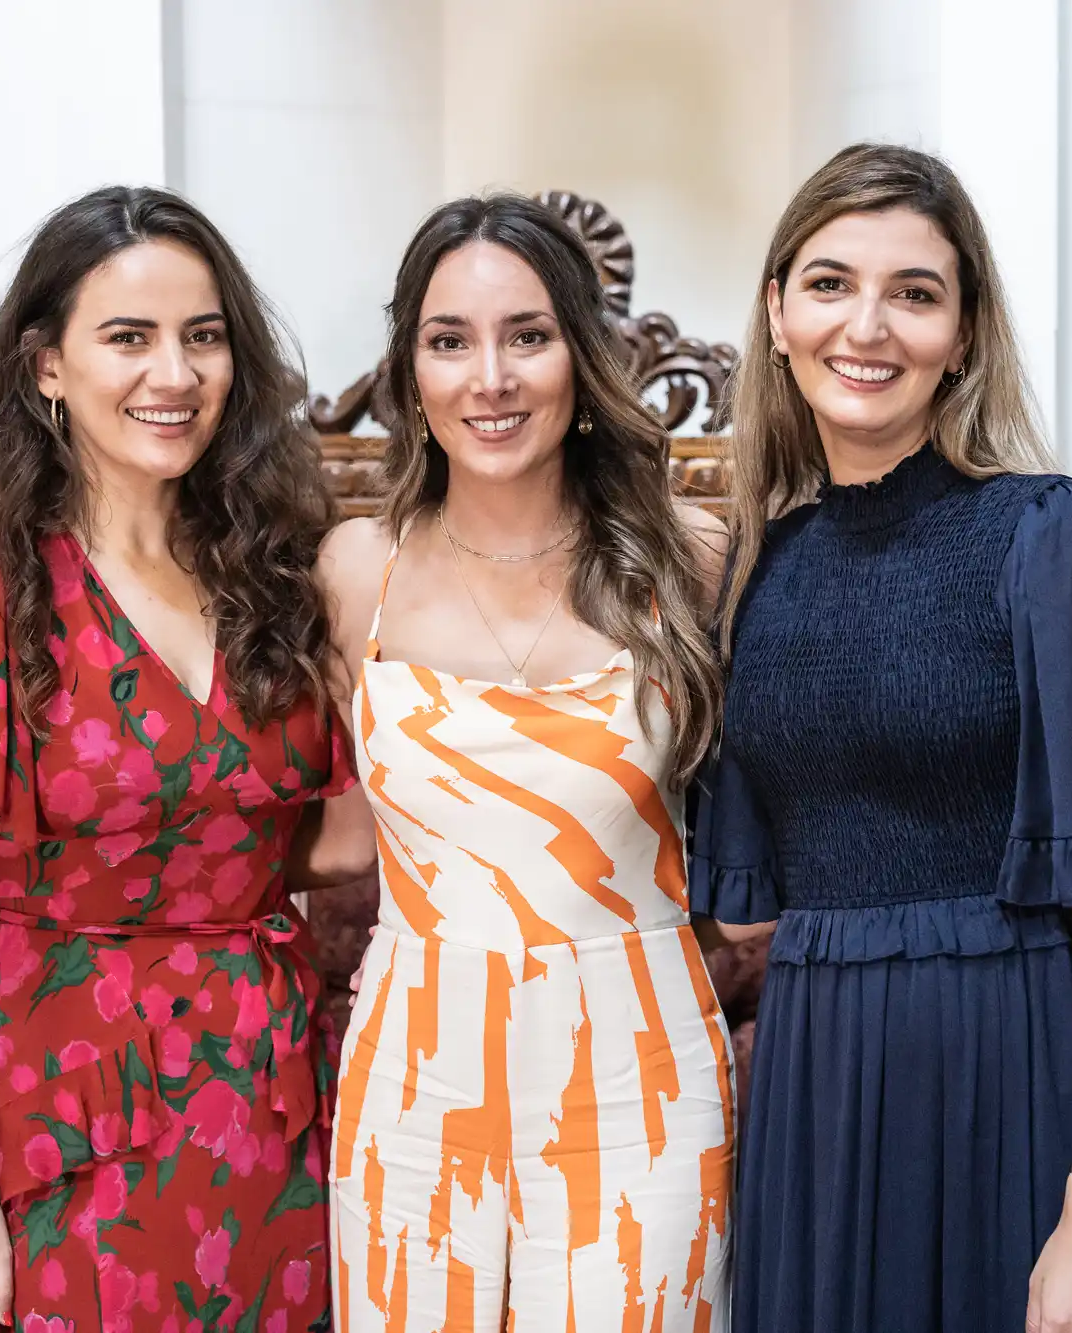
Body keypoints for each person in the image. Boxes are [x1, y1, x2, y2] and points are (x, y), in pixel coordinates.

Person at [693, 144, 1072, 1332]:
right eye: (827, 284)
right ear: (775, 314)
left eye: (913, 293)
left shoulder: (1055, 537)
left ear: (965, 333)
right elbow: (742, 917)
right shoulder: (754, 573)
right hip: (818, 1109)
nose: (865, 326)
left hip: (1019, 1084)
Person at [0, 186, 368, 1333]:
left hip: (277, 1098)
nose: (172, 375)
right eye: (128, 338)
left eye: (202, 336)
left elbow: (334, 844)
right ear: (46, 366)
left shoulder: (279, 572)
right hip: (71, 1103)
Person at [317, 194, 735, 1330]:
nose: (488, 377)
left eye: (528, 336)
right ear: (409, 373)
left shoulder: (691, 559)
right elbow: (323, 825)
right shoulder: (356, 569)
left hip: (635, 1070)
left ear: (581, 360)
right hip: (414, 1069)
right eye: (449, 341)